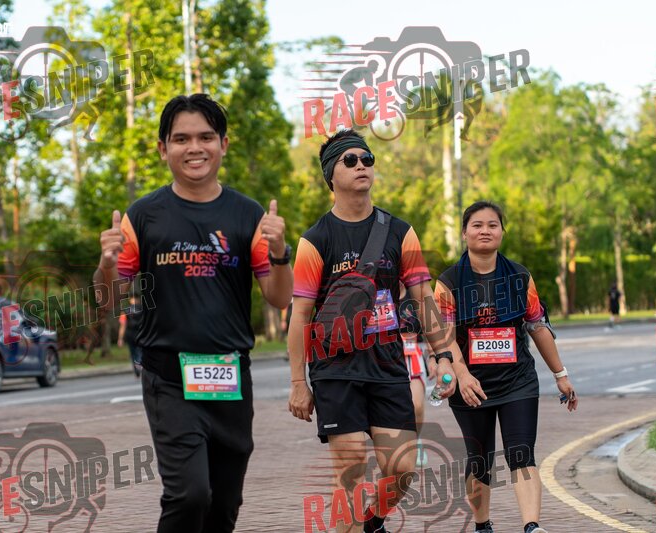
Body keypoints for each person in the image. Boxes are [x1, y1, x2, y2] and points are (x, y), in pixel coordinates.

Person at [93, 94, 293, 533]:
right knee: (189, 494)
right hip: (169, 379)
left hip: (230, 377)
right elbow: (109, 301)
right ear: (163, 148)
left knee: (224, 503)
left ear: (223, 144)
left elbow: (279, 298)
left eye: (205, 137)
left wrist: (279, 252)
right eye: (181, 139)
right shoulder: (142, 216)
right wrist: (107, 264)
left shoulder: (248, 215)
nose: (194, 148)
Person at [287, 129, 464, 533]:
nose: (361, 166)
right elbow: (300, 316)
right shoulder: (315, 240)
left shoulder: (400, 231)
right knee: (350, 470)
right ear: (331, 175)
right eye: (350, 160)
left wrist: (443, 357)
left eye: (367, 159)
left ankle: (372, 521)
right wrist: (299, 382)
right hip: (335, 367)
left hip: (387, 364)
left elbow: (423, 298)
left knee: (402, 468)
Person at [434, 201, 578, 533]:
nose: (485, 231)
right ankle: (482, 524)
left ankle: (531, 526)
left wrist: (561, 375)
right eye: (477, 225)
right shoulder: (448, 281)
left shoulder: (519, 276)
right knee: (479, 460)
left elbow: (538, 327)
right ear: (465, 232)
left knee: (521, 453)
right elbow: (444, 336)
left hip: (518, 381)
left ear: (502, 231)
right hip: (471, 384)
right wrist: (462, 375)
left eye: (492, 225)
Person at [397, 282, 429, 468]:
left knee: (416, 405)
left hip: (412, 356)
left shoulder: (413, 293)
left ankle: (415, 441)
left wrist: (435, 357)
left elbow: (429, 324)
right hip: (386, 356)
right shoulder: (379, 292)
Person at [117, 295, 143, 376]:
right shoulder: (143, 309)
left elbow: (123, 325)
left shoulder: (125, 311)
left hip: (130, 335)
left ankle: (136, 369)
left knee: (133, 353)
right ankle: (139, 366)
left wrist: (120, 338)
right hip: (140, 334)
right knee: (139, 352)